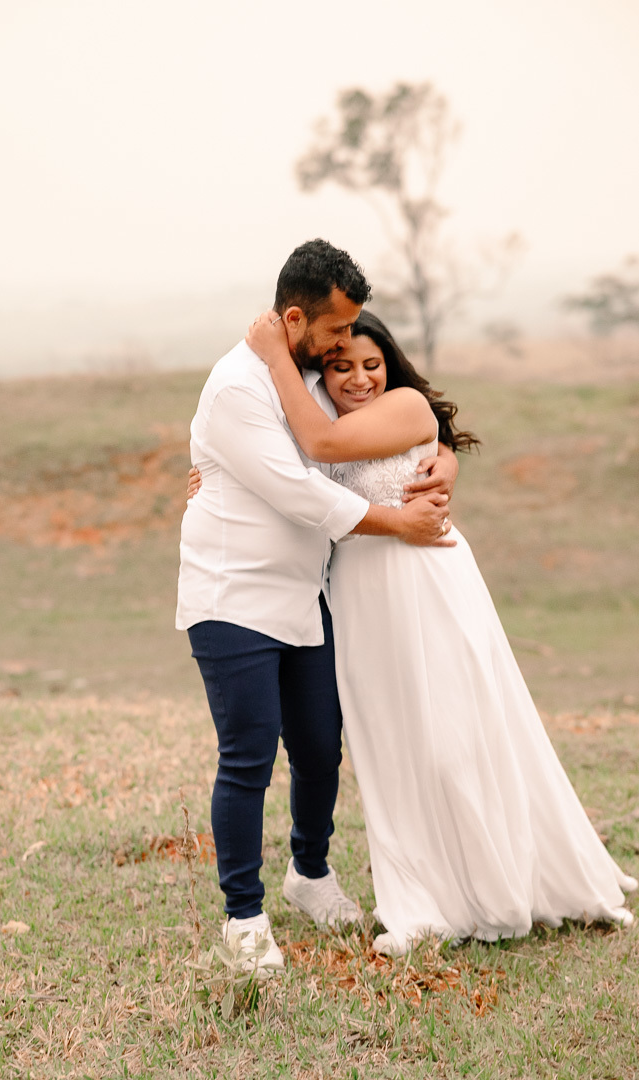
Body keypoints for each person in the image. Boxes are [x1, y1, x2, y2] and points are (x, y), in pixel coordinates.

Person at [244, 307, 636, 955]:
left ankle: (507, 881)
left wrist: (275, 358)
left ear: (391, 364)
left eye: (371, 363)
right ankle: (419, 907)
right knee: (391, 749)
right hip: (362, 601)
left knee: (456, 737)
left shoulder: (402, 407)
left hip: (428, 584)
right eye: (340, 366)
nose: (359, 377)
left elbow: (329, 448)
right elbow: (293, 468)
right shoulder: (317, 418)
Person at [175, 239, 459, 976]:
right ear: (297, 317)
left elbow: (369, 441)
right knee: (249, 756)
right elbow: (299, 491)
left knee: (318, 742)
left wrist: (443, 456)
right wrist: (399, 524)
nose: (343, 348)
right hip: (233, 594)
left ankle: (310, 873)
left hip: (308, 592)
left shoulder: (303, 372)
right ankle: (243, 919)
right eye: (335, 332)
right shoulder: (238, 386)